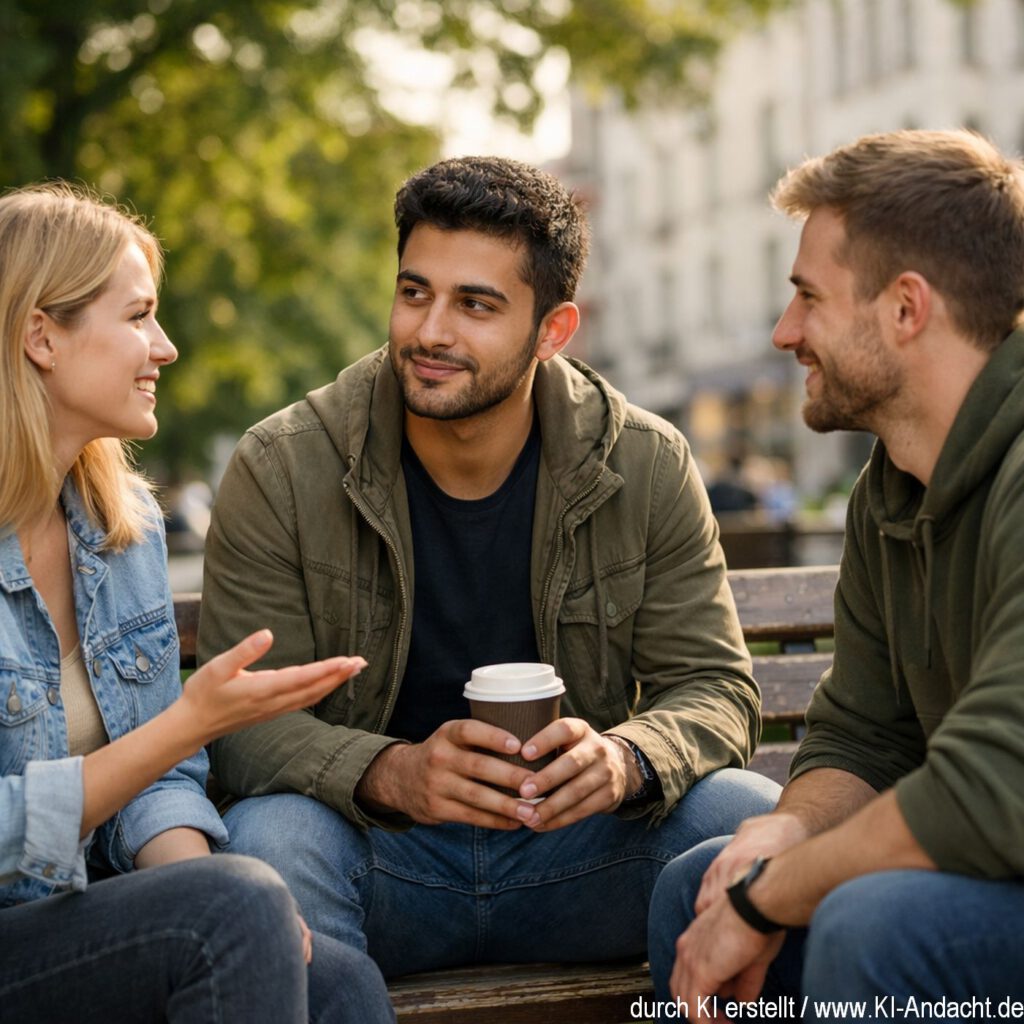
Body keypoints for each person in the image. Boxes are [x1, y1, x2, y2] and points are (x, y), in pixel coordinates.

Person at [197, 155, 778, 1003]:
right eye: (414, 291)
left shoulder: (645, 460)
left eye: (475, 305)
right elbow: (243, 724)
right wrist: (392, 773)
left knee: (744, 820)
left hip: (582, 849)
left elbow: (716, 687)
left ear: (554, 330)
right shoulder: (284, 464)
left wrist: (625, 759)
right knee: (270, 844)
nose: (431, 331)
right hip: (379, 856)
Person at [649, 129, 1024, 1016]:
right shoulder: (892, 489)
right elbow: (865, 735)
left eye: (808, 297)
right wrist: (782, 836)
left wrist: (773, 892)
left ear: (905, 308)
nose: (786, 333)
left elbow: (998, 781)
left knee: (872, 922)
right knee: (698, 884)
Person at [0, 183, 393, 1023]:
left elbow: (154, 784)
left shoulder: (120, 526)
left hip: (76, 916)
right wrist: (191, 722)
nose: (165, 347)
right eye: (138, 316)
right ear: (41, 335)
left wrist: (213, 886)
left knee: (335, 977)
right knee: (236, 907)